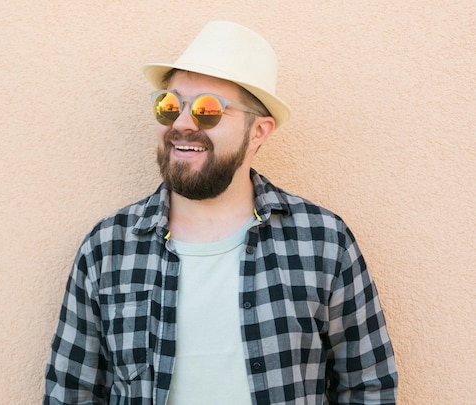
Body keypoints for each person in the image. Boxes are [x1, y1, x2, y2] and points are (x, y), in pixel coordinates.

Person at [44, 20, 398, 404]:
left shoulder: (323, 241)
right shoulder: (108, 247)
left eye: (208, 110)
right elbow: (71, 392)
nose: (181, 123)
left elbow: (369, 385)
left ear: (259, 131)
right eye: (170, 105)